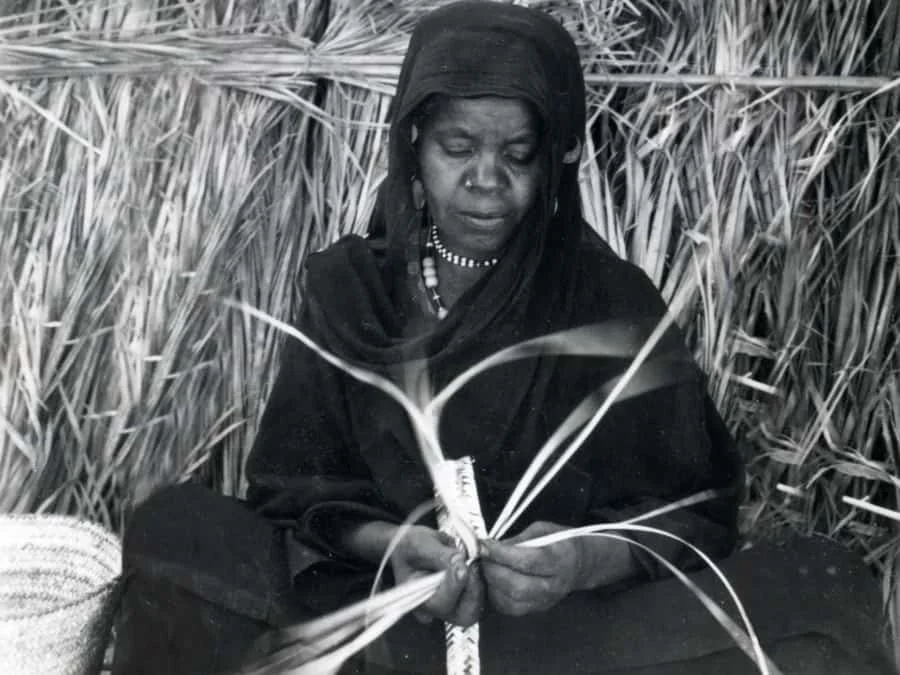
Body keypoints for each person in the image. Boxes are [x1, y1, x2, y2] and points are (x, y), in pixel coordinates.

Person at [112, 2, 897, 674]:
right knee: (174, 531)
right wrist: (397, 545)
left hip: (568, 637)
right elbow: (292, 490)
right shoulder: (348, 289)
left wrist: (581, 559)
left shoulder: (609, 302)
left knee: (824, 588)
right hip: (387, 624)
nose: (487, 179)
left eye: (517, 155)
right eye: (458, 149)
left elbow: (696, 506)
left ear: (554, 161)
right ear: (413, 147)